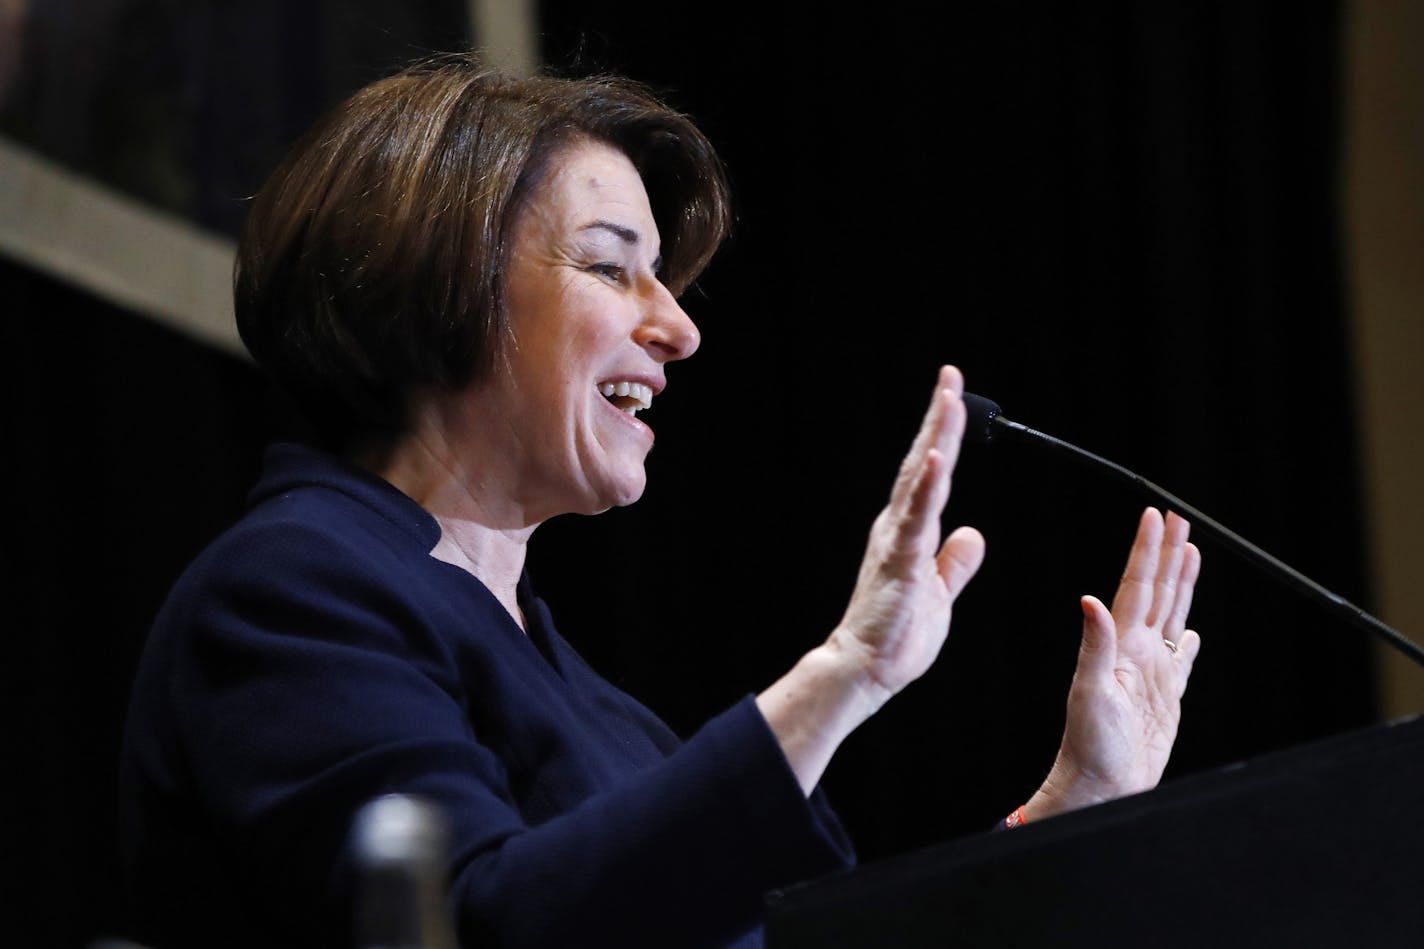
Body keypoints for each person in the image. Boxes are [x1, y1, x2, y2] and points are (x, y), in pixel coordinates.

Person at [116, 53, 1203, 949]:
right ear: (439, 281)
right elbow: (476, 930)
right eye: (609, 267)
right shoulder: (288, 593)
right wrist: (845, 674)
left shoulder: (598, 711)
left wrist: (1070, 810)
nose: (676, 328)